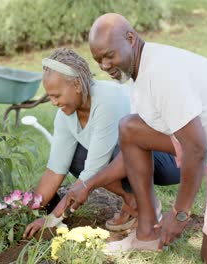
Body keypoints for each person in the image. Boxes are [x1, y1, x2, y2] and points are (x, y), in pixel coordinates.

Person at [69, 13, 207, 262]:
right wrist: (87, 185)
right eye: (98, 60)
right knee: (130, 128)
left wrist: (180, 213)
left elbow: (196, 148)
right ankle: (146, 234)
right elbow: (131, 151)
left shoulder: (162, 72)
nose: (104, 66)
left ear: (130, 38)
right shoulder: (140, 73)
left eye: (109, 56)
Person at [22, 48, 180, 239]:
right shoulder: (65, 115)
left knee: (113, 154)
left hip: (171, 159)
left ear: (77, 85)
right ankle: (132, 201)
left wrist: (51, 219)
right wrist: (26, 212)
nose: (53, 102)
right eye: (50, 97)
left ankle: (147, 206)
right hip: (130, 159)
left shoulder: (106, 101)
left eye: (57, 96)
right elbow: (55, 170)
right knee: (76, 157)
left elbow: (92, 172)